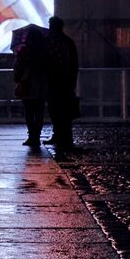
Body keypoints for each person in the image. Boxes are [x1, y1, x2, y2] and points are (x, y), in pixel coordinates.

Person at [45, 15, 80, 155]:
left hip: (55, 81)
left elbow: (48, 62)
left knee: (55, 110)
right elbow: (74, 64)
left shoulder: (51, 43)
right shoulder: (68, 42)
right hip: (66, 81)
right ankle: (66, 137)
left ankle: (59, 135)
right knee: (65, 111)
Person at [12, 25, 48, 148]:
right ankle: (36, 136)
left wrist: (18, 79)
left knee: (28, 110)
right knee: (39, 111)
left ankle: (31, 136)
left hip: (27, 83)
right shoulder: (45, 50)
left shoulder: (23, 50)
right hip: (42, 83)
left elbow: (18, 67)